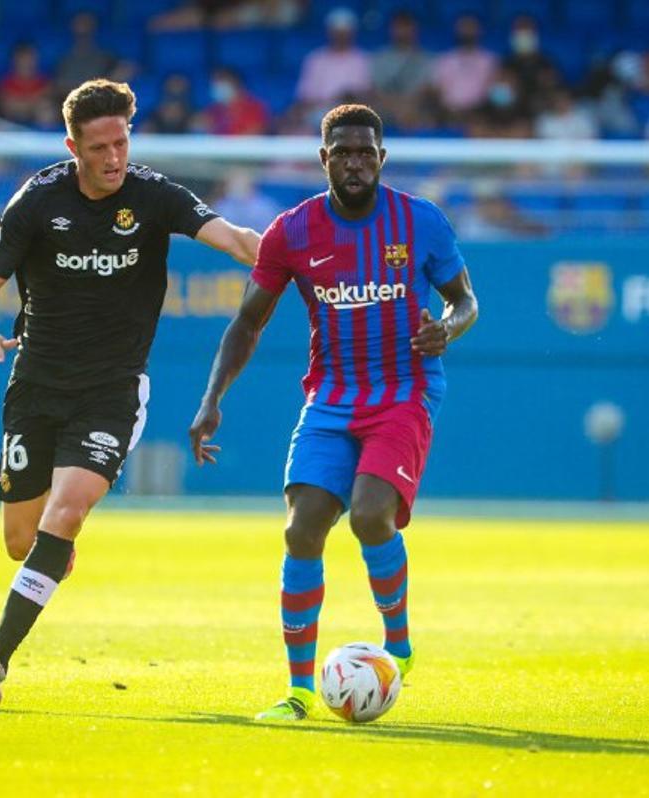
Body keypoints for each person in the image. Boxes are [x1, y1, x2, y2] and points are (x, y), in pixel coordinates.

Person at [0, 79, 261, 710]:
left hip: (111, 390)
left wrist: (308, 263)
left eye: (121, 141)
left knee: (64, 515)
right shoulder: (37, 201)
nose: (114, 157)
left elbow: (234, 240)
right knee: (24, 541)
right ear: (74, 146)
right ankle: (52, 557)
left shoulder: (154, 195)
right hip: (36, 385)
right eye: (99, 147)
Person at [188, 104, 478, 721]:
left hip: (404, 393)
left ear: (381, 158)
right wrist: (213, 400)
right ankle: (297, 693)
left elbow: (465, 301)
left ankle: (397, 644)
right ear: (324, 158)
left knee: (371, 517)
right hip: (331, 398)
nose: (355, 163)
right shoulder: (290, 232)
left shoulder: (419, 221)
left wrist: (446, 330)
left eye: (366, 152)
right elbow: (247, 322)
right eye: (343, 152)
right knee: (301, 530)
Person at [428, 13, 498, 124]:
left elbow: (494, 90)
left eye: (471, 27)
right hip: (448, 112)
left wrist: (477, 109)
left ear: (479, 31)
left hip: (480, 112)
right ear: (457, 31)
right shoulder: (445, 60)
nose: (468, 32)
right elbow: (437, 90)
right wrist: (450, 108)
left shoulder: (490, 60)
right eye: (464, 28)